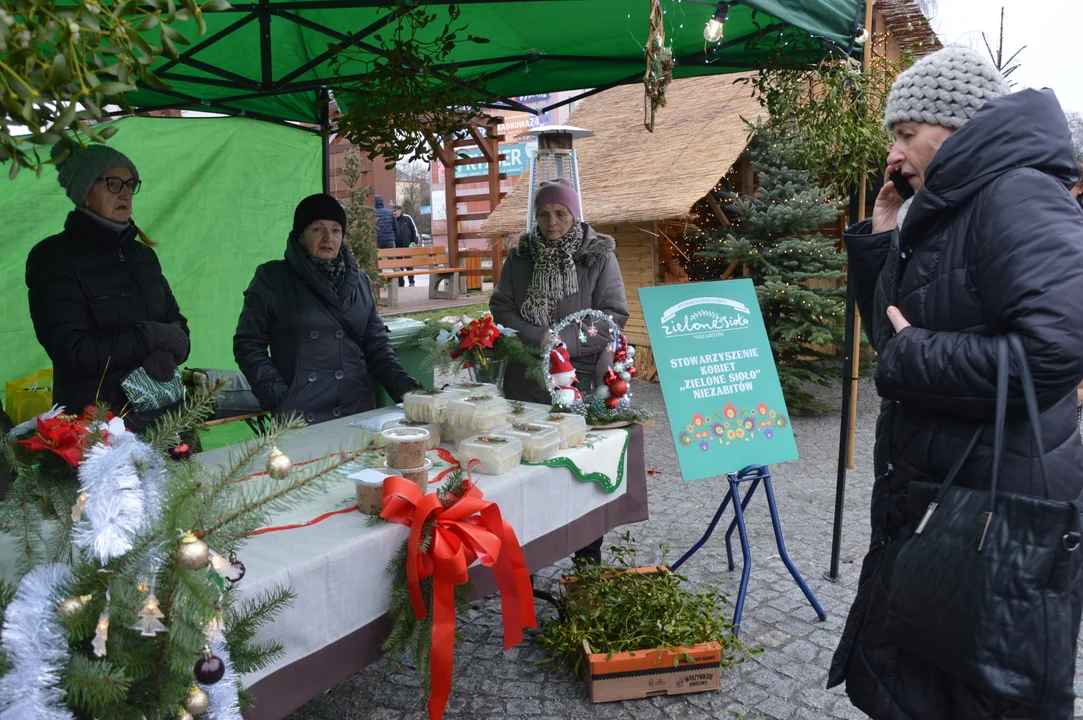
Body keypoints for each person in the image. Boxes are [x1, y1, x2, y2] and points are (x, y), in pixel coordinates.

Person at [830, 46, 1083, 720]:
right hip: (948, 486)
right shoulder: (949, 206)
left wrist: (911, 358)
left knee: (975, 687)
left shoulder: (1017, 193)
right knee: (924, 675)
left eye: (906, 133)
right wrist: (881, 238)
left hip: (998, 498)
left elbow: (1056, 349)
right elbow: (892, 332)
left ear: (957, 128)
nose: (894, 151)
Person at [490, 178, 629, 564]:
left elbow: (613, 316)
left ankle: (587, 566)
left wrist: (563, 342)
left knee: (580, 472)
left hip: (578, 381)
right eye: (544, 214)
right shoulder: (521, 255)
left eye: (560, 214)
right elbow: (500, 306)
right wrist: (539, 336)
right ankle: (526, 566)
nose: (551, 222)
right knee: (529, 471)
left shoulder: (598, 256)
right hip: (526, 380)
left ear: (574, 215)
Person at [26, 145, 190, 433]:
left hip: (168, 417)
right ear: (85, 193)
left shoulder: (143, 256)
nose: (125, 193)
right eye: (113, 184)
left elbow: (179, 329)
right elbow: (72, 352)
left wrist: (170, 349)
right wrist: (147, 337)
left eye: (130, 184)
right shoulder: (53, 258)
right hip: (102, 431)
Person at [233, 194, 420, 425]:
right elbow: (247, 344)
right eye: (317, 229)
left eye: (335, 230)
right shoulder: (273, 278)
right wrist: (277, 395)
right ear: (300, 236)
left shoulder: (359, 281)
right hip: (299, 414)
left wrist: (407, 389)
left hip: (356, 409)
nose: (328, 238)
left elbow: (377, 347)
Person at [392, 203, 421, 288]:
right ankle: (401, 283)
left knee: (409, 264)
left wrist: (415, 241)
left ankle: (411, 282)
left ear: (400, 211)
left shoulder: (407, 218)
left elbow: (414, 230)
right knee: (399, 266)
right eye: (393, 211)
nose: (395, 213)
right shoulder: (392, 219)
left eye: (396, 211)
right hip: (397, 247)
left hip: (408, 245)